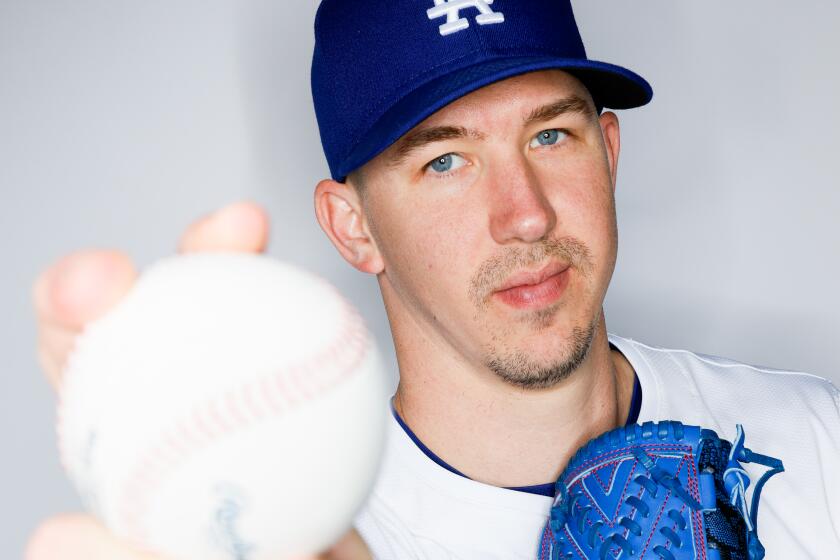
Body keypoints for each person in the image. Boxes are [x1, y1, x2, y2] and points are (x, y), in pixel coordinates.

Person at [27, 1, 839, 559]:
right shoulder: (307, 533)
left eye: (551, 135)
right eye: (447, 160)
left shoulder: (820, 439)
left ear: (610, 153)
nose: (525, 215)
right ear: (355, 227)